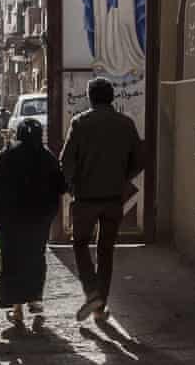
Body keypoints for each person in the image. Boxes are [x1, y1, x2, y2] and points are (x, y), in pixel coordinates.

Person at [60, 77, 142, 323]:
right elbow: (139, 159)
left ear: (90, 97)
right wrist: (122, 178)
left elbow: (66, 162)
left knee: (80, 244)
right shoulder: (125, 124)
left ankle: (91, 292)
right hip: (113, 199)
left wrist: (72, 187)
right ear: (112, 97)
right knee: (106, 251)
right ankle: (99, 306)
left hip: (86, 198)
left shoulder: (80, 123)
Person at [0, 118, 67, 327]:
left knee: (11, 260)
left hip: (10, 219)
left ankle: (17, 309)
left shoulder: (8, 155)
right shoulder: (47, 156)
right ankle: (36, 300)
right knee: (35, 256)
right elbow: (62, 186)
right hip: (39, 219)